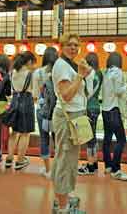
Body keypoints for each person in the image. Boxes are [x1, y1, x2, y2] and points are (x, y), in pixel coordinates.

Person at [51, 33, 94, 214]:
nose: (73, 48)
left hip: (73, 115)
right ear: (62, 46)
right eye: (69, 45)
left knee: (68, 159)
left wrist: (83, 74)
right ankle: (62, 207)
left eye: (76, 45)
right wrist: (80, 76)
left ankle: (63, 197)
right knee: (65, 160)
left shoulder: (69, 64)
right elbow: (66, 96)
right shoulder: (61, 66)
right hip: (67, 116)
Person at [101, 52, 127, 181]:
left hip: (105, 110)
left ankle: (108, 165)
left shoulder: (107, 73)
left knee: (107, 139)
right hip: (114, 109)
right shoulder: (118, 72)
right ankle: (116, 169)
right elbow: (118, 91)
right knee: (121, 140)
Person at [4, 51, 36, 170]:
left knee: (14, 132)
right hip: (26, 102)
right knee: (25, 133)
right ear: (29, 62)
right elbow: (35, 92)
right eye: (33, 63)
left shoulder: (12, 72)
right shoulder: (30, 74)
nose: (33, 66)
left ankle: (9, 158)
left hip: (14, 101)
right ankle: (20, 160)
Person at [33, 47, 59, 178]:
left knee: (44, 139)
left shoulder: (38, 72)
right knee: (57, 139)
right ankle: (57, 169)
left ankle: (48, 170)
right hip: (57, 111)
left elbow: (35, 94)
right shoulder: (58, 71)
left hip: (42, 110)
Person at [78, 53, 103, 175]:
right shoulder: (99, 73)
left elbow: (87, 93)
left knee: (89, 138)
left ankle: (90, 166)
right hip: (96, 106)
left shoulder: (89, 75)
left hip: (88, 107)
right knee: (93, 136)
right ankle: (95, 162)